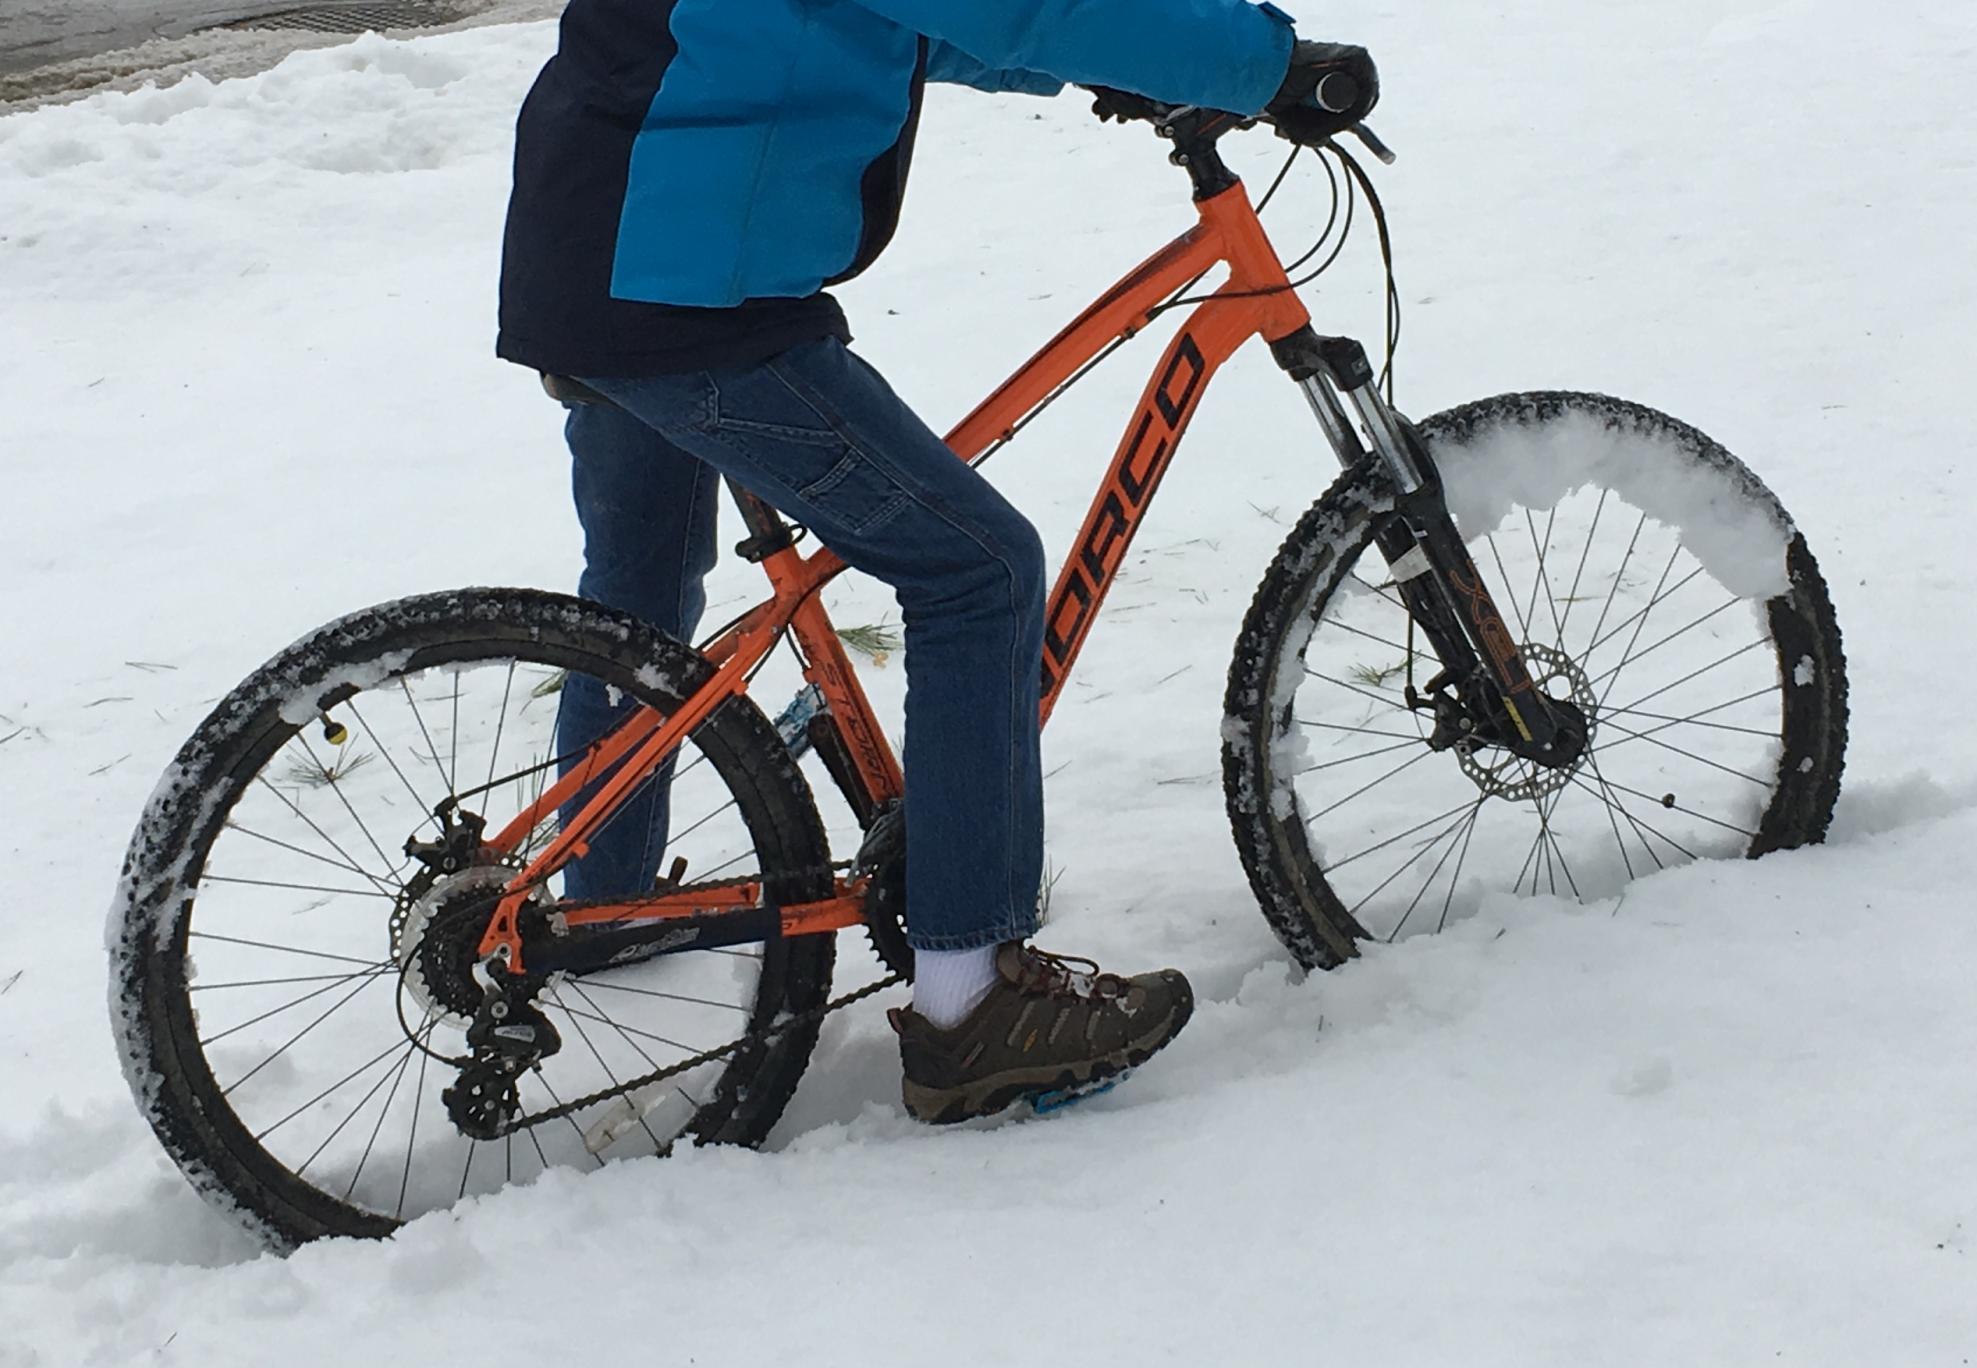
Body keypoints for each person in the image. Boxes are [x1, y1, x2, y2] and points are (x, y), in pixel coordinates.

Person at [496, 0, 1377, 1123]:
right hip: (690, 289)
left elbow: (906, 22)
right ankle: (972, 1005)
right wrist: (1264, 61)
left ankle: (605, 906)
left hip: (606, 246)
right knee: (978, 569)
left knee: (644, 586)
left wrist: (1100, 68)